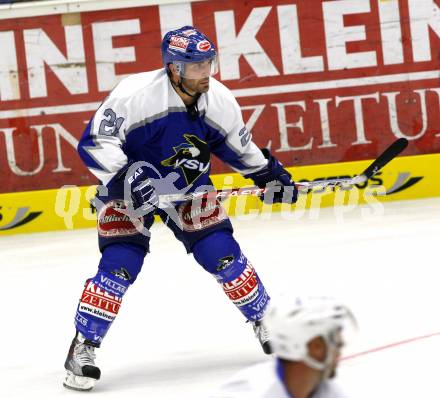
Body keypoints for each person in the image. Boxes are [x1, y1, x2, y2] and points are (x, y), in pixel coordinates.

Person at [63, 26, 298, 391]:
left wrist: (267, 173)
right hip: (128, 192)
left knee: (222, 255)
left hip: (188, 187)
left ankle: (265, 319)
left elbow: (239, 148)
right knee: (119, 266)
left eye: (208, 63)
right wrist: (129, 177)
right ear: (173, 68)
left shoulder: (218, 99)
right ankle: (83, 347)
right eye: (195, 66)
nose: (205, 72)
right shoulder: (135, 94)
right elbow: (94, 143)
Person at [210, 297, 356, 398]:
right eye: (334, 341)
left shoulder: (330, 391)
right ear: (309, 347)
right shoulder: (248, 392)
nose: (340, 349)